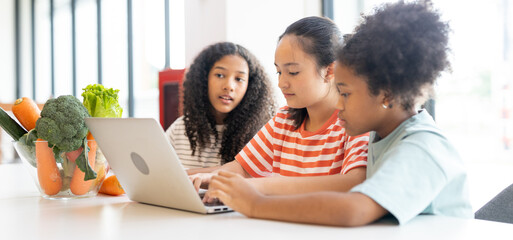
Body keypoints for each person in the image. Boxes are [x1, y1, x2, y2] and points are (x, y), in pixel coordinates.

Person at [207, 1, 473, 226]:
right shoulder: (384, 135)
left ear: (386, 94)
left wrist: (256, 203)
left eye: (344, 93)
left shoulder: (422, 146)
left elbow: (354, 209)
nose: (338, 104)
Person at [192, 16, 369, 199]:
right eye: (279, 72)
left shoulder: (353, 121)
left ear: (329, 71)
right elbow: (241, 169)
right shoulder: (284, 120)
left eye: (293, 72)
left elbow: (354, 182)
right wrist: (205, 177)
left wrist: (262, 185)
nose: (281, 83)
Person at [166, 42, 275, 171]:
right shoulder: (179, 128)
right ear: (204, 79)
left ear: (250, 87)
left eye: (239, 79)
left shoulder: (261, 133)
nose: (229, 86)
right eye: (220, 75)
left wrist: (186, 176)